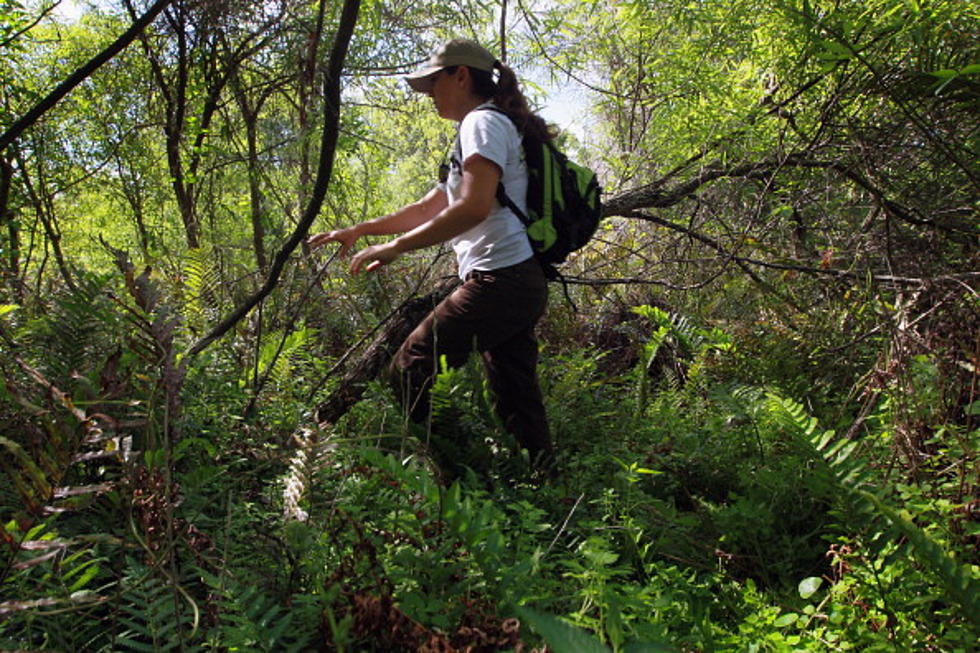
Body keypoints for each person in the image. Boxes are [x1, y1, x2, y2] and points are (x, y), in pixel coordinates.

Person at [308, 38, 555, 478]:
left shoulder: (481, 123)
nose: (428, 95)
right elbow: (431, 207)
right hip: (518, 280)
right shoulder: (487, 126)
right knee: (516, 396)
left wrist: (396, 248)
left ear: (460, 75)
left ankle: (456, 475)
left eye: (433, 83)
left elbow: (473, 207)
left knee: (409, 368)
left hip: (502, 279)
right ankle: (541, 486)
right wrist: (360, 230)